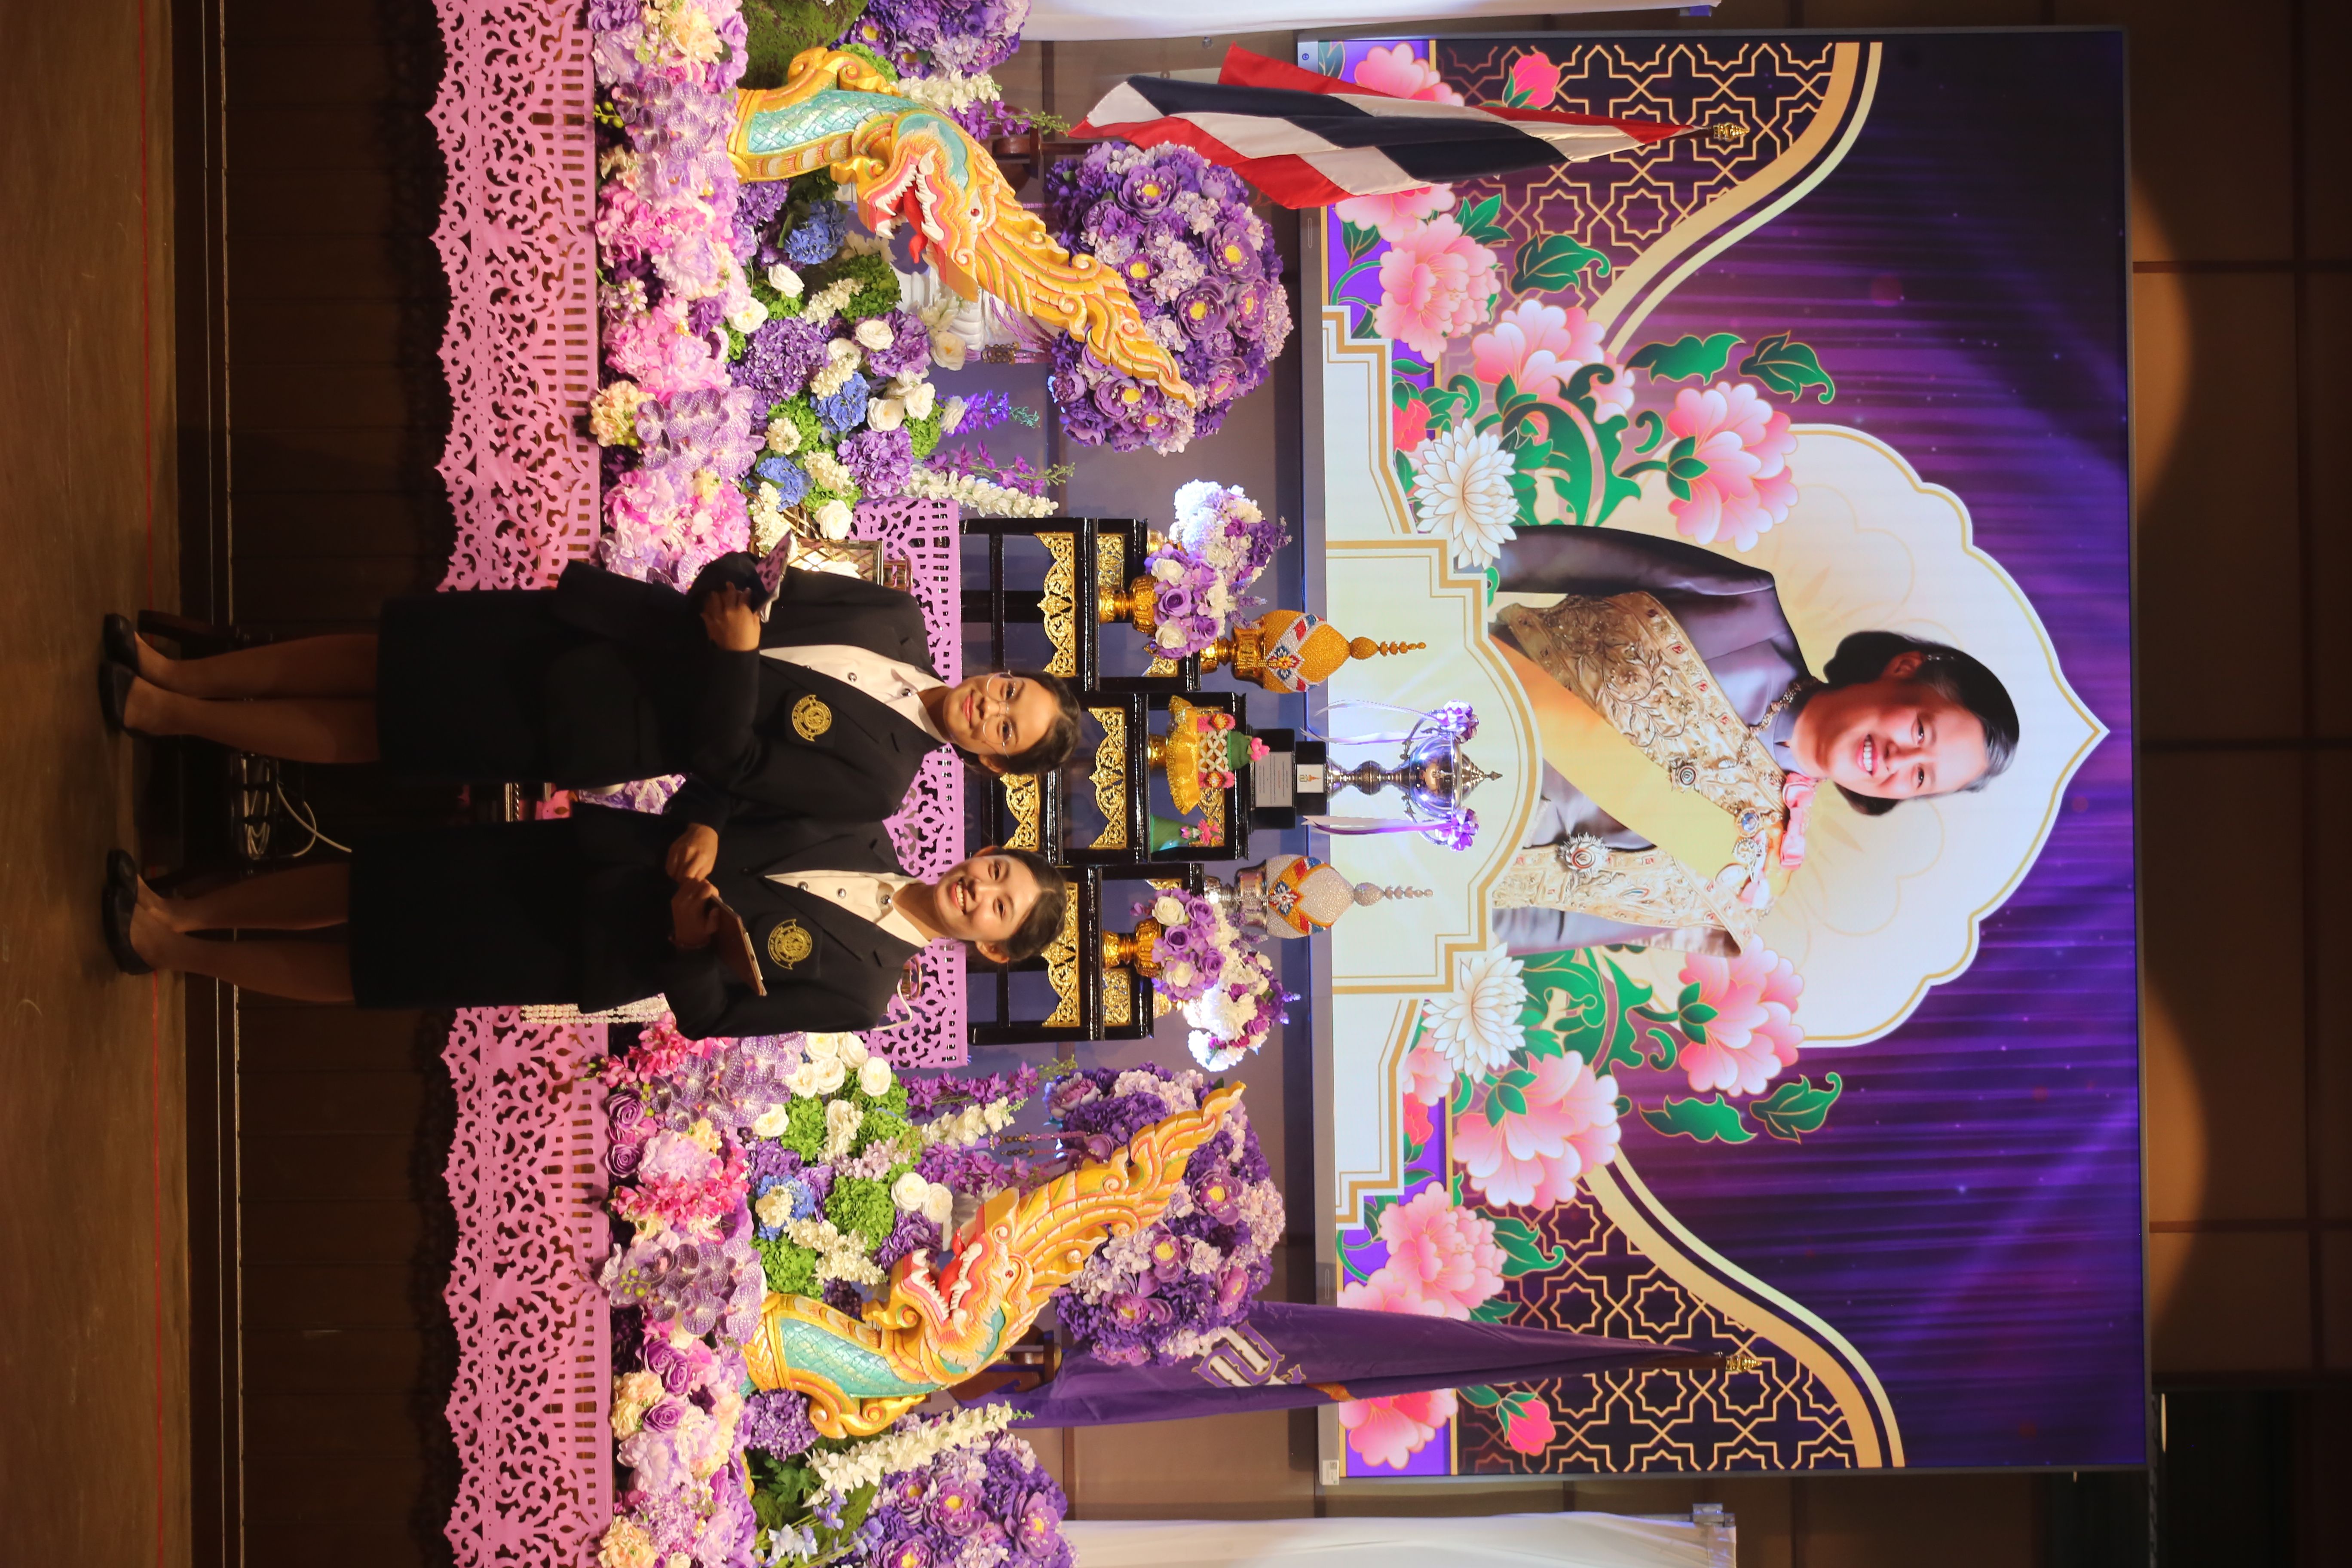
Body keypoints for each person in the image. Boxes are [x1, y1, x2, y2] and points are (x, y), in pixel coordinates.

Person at [98, 555, 1081, 824]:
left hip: (606, 721)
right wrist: (734, 588)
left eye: (1005, 726)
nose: (990, 704)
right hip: (610, 628)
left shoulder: (878, 784)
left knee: (382, 733)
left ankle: (169, 716)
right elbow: (751, 571)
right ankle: (178, 672)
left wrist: (737, 655)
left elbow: (728, 765)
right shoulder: (893, 615)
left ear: (990, 763)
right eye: (1009, 689)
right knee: (378, 657)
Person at [1488, 528, 2020, 956]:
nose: (1900, 760)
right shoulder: (1743, 606)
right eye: (1921, 731)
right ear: (1904, 669)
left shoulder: (1756, 880)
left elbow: (1548, 921)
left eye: (1921, 777)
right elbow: (1530, 555)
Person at [99, 805, 1067, 1039]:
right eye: (996, 870)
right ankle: (184, 907)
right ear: (980, 851)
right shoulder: (861, 830)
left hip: (594, 949)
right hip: (600, 861)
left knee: (378, 964)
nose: (980, 888)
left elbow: (715, 1017)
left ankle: (170, 949)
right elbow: (730, 790)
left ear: (988, 947)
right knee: (379, 882)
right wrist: (701, 826)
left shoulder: (862, 992)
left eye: (999, 906)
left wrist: (689, 946)